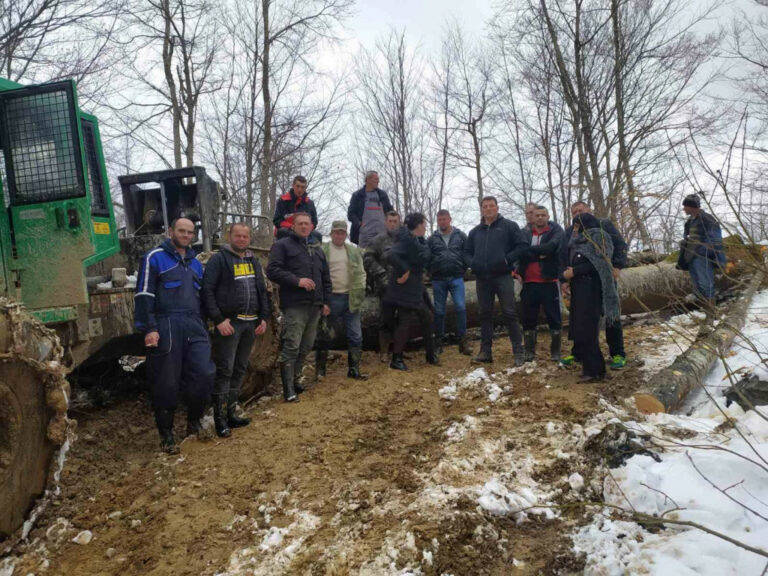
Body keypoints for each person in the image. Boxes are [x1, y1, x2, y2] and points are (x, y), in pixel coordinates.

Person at [135, 218, 216, 453]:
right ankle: (167, 434)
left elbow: (202, 297)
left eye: (190, 232)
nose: (186, 235)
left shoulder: (196, 263)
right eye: (181, 231)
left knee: (203, 373)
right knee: (166, 380)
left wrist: (207, 324)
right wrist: (149, 328)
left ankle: (193, 422)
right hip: (166, 323)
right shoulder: (155, 258)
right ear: (171, 231)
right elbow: (144, 294)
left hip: (194, 323)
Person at [202, 222, 271, 438]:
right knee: (226, 370)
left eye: (245, 236)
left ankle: (232, 413)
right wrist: (219, 319)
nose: (242, 239)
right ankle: (219, 419)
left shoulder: (253, 261)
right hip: (231, 325)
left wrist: (264, 317)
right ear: (230, 237)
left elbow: (262, 290)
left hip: (251, 324)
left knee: (241, 368)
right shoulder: (219, 260)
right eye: (238, 236)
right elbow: (207, 291)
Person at [266, 212, 331, 402]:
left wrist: (326, 301)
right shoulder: (282, 245)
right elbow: (272, 270)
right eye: (300, 224)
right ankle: (288, 390)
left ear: (312, 227)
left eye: (307, 224)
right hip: (295, 304)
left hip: (315, 305)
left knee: (306, 346)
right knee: (292, 346)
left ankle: (296, 379)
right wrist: (297, 281)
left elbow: (326, 278)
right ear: (293, 226)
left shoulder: (317, 249)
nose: (304, 227)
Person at [559, 201, 628, 369]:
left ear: (589, 210)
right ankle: (579, 352)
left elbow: (620, 245)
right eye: (573, 211)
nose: (577, 214)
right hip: (579, 281)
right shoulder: (570, 232)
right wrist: (564, 280)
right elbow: (563, 256)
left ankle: (617, 353)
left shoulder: (603, 225)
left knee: (610, 313)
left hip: (603, 278)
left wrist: (618, 266)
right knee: (580, 318)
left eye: (580, 210)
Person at [464, 196, 528, 366]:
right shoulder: (475, 232)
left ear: (497, 208)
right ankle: (485, 352)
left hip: (503, 276)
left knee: (509, 312)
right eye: (485, 206)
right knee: (484, 314)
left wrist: (507, 260)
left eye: (491, 206)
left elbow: (522, 245)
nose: (488, 209)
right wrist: (472, 264)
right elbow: (466, 252)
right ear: (481, 210)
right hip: (482, 278)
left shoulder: (509, 226)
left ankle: (518, 352)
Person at [385, 212, 439, 370]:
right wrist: (405, 270)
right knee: (405, 322)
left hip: (416, 286)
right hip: (405, 288)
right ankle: (396, 359)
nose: (426, 227)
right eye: (424, 224)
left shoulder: (416, 240)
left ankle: (430, 354)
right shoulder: (406, 240)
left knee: (427, 316)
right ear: (418, 225)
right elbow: (391, 255)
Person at [316, 220, 368, 380]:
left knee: (356, 335)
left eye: (342, 232)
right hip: (331, 298)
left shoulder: (353, 250)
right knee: (325, 334)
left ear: (346, 234)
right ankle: (320, 371)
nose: (339, 235)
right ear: (331, 233)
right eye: (336, 232)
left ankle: (354, 369)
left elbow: (361, 272)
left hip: (351, 298)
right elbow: (318, 276)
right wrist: (323, 301)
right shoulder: (322, 250)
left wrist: (361, 291)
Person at [518, 205, 564, 362]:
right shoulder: (524, 233)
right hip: (529, 282)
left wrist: (530, 252)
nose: (539, 217)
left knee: (554, 317)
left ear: (548, 216)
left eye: (543, 215)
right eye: (536, 215)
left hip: (549, 280)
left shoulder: (555, 231)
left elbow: (552, 248)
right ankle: (529, 352)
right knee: (528, 318)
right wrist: (540, 254)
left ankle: (556, 352)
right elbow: (520, 252)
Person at [427, 209, 472, 356]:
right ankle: (439, 341)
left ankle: (463, 341)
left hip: (456, 277)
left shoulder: (460, 236)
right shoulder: (432, 239)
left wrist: (463, 267)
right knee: (439, 311)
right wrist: (431, 271)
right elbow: (427, 257)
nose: (442, 222)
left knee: (460, 307)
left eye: (444, 219)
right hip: (438, 279)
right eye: (440, 220)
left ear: (450, 219)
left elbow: (467, 253)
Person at [363, 211, 401, 362]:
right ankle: (384, 351)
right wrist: (381, 274)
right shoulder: (377, 241)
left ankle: (399, 349)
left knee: (403, 319)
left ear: (399, 222)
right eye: (390, 221)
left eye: (395, 221)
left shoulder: (403, 240)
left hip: (403, 286)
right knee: (386, 318)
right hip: (385, 286)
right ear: (386, 223)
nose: (393, 224)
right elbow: (368, 260)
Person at [677, 193, 726, 310]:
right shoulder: (691, 220)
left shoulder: (707, 219)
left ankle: (711, 313)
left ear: (692, 206)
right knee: (697, 285)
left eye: (685, 206)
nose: (683, 209)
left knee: (706, 283)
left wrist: (701, 251)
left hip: (702, 257)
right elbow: (689, 236)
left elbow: (715, 240)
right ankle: (701, 310)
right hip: (692, 256)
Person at [347, 170, 394, 248]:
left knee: (383, 258)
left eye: (378, 179)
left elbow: (390, 211)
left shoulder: (382, 195)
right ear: (368, 180)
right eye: (376, 179)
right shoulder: (357, 195)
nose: (378, 181)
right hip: (365, 235)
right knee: (364, 257)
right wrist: (359, 225)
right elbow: (351, 214)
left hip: (382, 234)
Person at [272, 175, 319, 241]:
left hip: (304, 231)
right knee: (284, 232)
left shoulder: (310, 203)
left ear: (305, 188)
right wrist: (292, 227)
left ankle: (313, 251)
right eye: (298, 186)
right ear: (293, 185)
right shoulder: (283, 201)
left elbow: (314, 221)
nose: (300, 189)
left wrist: (307, 228)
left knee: (317, 235)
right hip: (287, 230)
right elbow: (277, 220)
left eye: (302, 187)